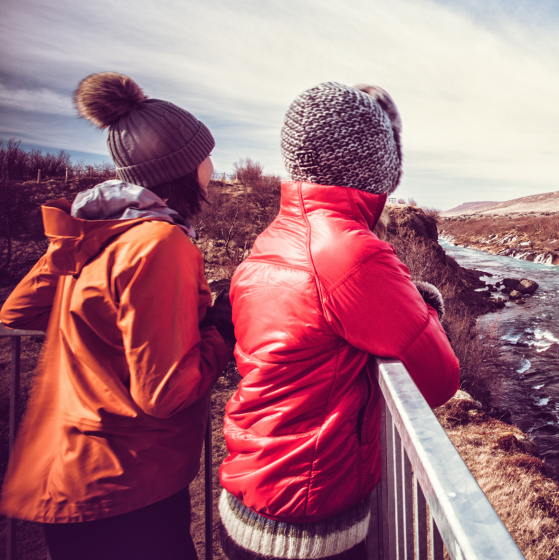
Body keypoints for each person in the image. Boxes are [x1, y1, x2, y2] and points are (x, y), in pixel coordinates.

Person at [219, 82, 459, 560]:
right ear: (376, 167)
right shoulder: (350, 252)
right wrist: (427, 305)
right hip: (306, 524)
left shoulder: (279, 234)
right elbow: (439, 378)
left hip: (255, 497)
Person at [0, 72, 232, 560]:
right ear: (183, 166)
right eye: (205, 153)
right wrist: (221, 330)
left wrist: (78, 234)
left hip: (70, 479)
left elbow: (16, 311)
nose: (213, 164)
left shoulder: (106, 237)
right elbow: (165, 392)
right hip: (127, 492)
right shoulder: (158, 243)